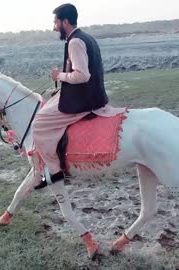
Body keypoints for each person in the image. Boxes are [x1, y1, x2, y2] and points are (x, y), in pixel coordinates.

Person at [32, 3, 125, 189]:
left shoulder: (75, 42)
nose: (54, 27)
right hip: (92, 94)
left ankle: (55, 171)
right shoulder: (86, 37)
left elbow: (83, 76)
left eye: (56, 22)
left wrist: (59, 76)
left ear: (65, 22)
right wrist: (63, 82)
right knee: (50, 103)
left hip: (84, 100)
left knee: (39, 124)